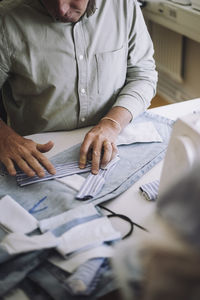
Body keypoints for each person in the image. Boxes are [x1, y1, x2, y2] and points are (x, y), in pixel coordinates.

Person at [0, 0, 157, 178]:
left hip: (116, 143)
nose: (61, 9)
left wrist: (112, 124)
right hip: (36, 156)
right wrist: (4, 138)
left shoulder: (123, 5)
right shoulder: (6, 18)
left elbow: (143, 75)